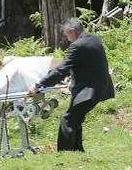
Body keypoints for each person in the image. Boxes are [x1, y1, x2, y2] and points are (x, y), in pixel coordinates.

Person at [29, 18, 115, 152]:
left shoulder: (77, 46)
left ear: (73, 32)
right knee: (75, 119)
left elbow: (61, 70)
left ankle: (65, 153)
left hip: (89, 91)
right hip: (99, 87)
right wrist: (74, 81)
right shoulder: (94, 39)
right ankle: (77, 150)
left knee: (68, 120)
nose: (67, 39)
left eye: (67, 35)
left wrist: (39, 86)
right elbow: (87, 66)